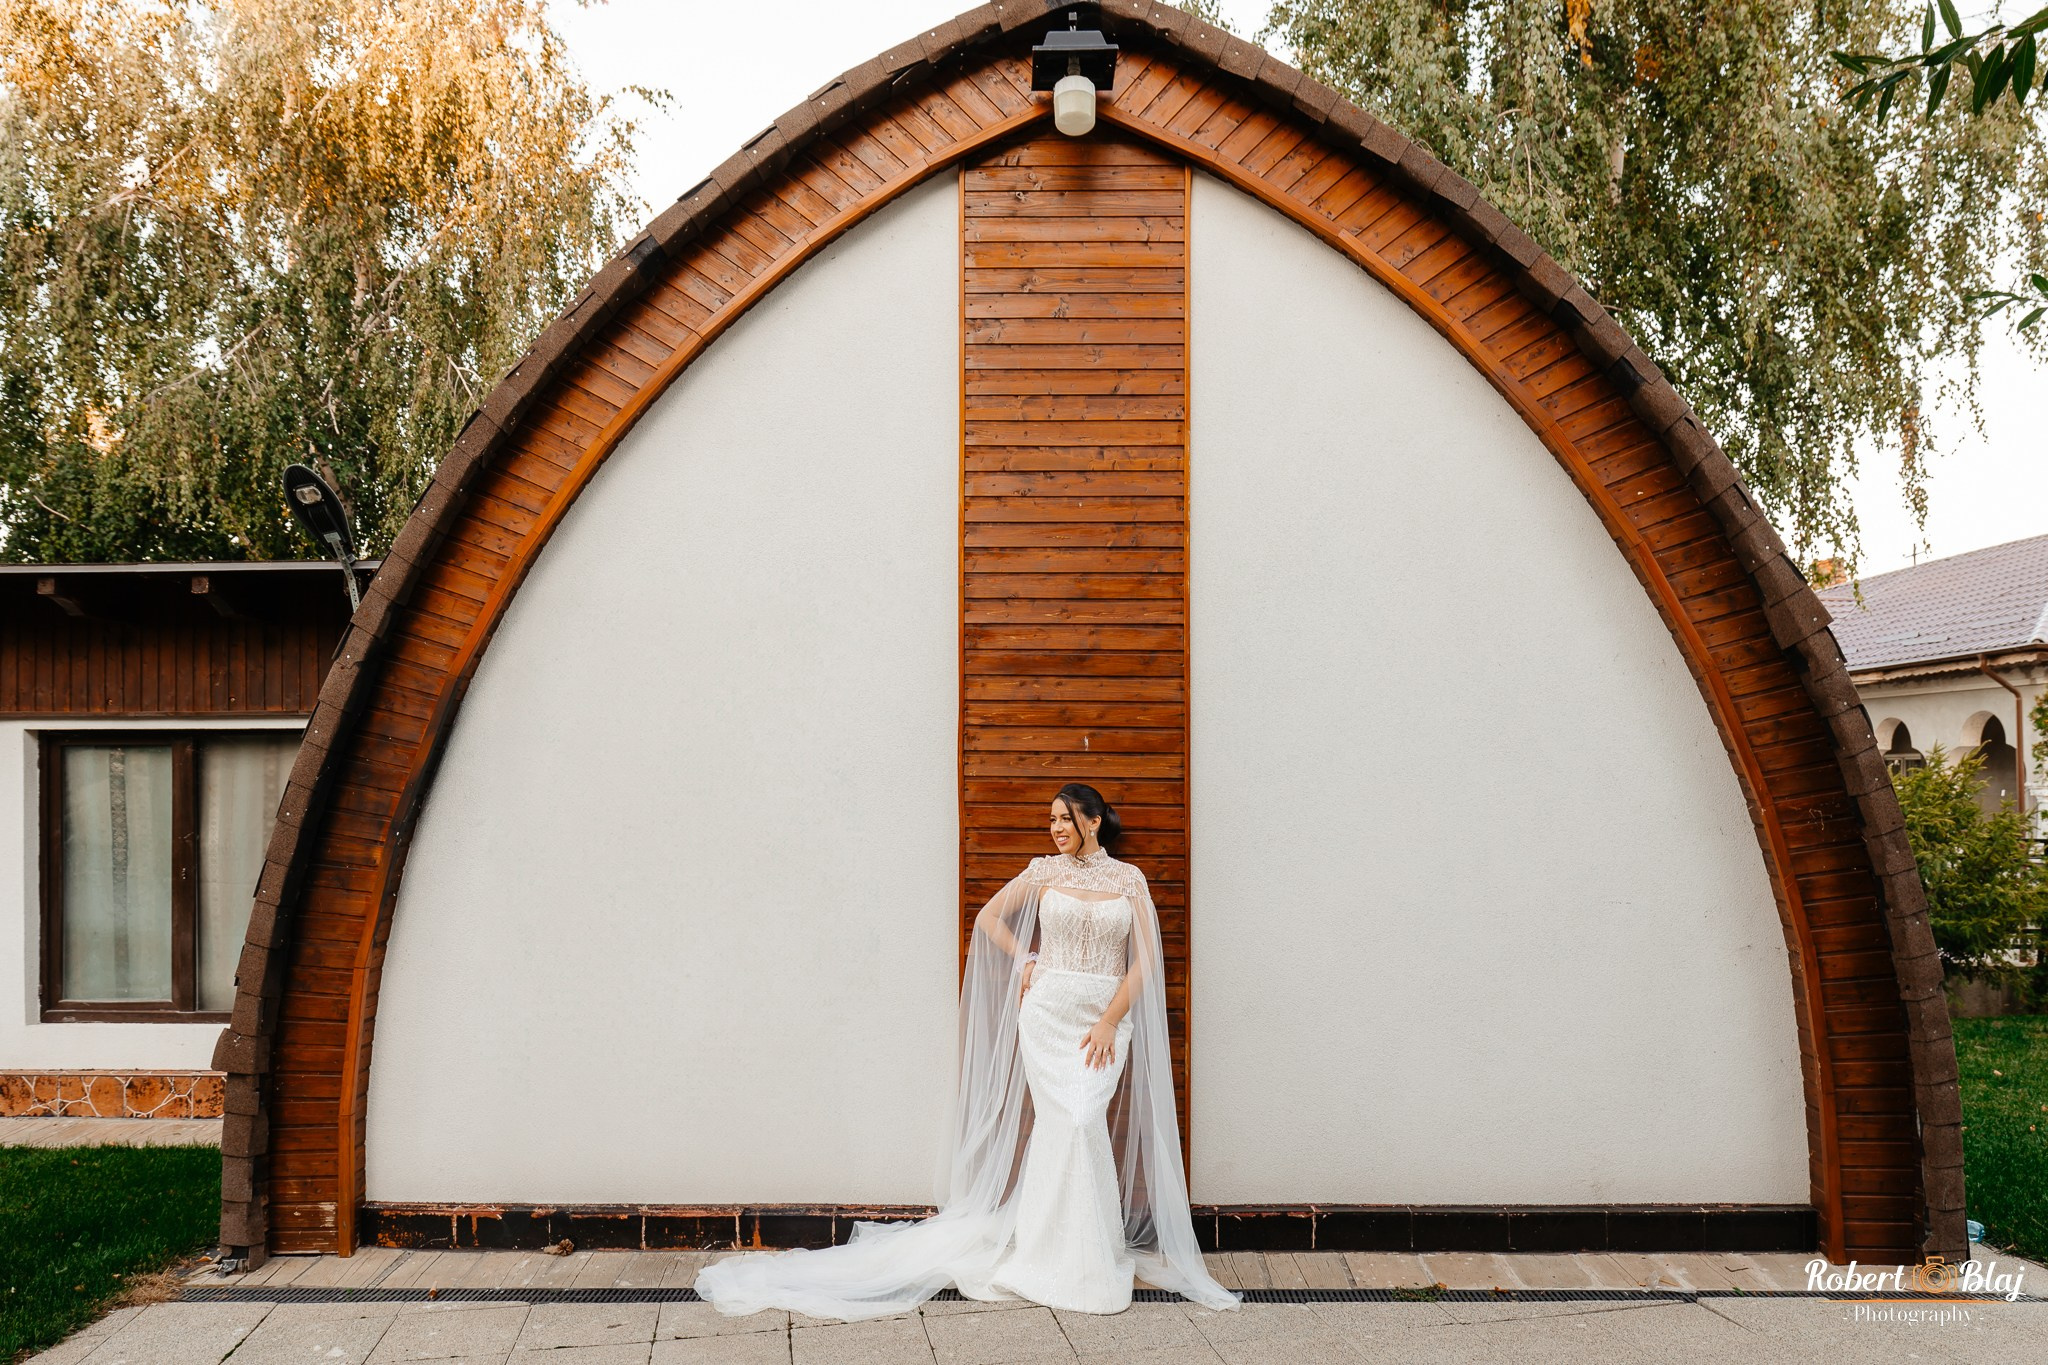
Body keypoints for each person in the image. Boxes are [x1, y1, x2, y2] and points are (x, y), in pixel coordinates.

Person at [691, 783, 1242, 1321]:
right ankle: (1055, 1254)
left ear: (1093, 821)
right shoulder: (1042, 872)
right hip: (1048, 1016)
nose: (1055, 829)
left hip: (1102, 1020)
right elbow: (988, 919)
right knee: (1066, 1124)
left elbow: (1147, 960)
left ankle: (1087, 1250)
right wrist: (1026, 959)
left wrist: (1108, 1021)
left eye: (1065, 818)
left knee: (1082, 1123)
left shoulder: (1129, 879)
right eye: (1050, 820)